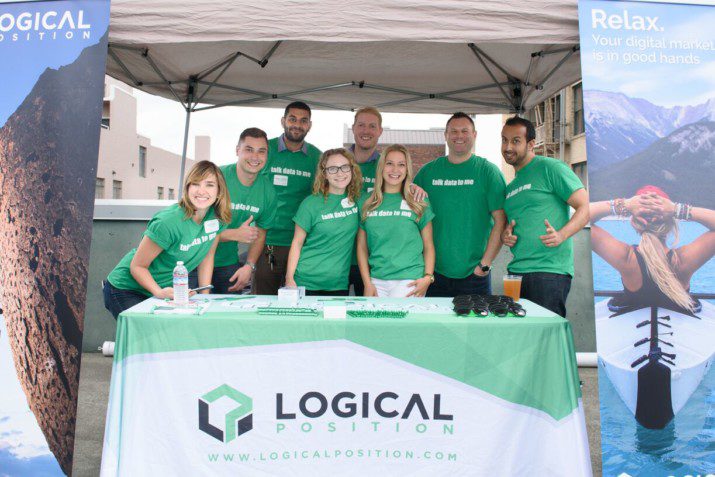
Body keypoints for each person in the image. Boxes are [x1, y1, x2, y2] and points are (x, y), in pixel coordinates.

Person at [103, 161, 231, 318]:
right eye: (195, 184)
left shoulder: (218, 218)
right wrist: (158, 292)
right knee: (144, 338)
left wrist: (205, 295)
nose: (201, 191)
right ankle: (113, 345)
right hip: (127, 288)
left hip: (166, 289)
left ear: (219, 191)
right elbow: (137, 266)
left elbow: (207, 255)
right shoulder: (168, 222)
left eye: (209, 185)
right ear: (187, 188)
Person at [500, 116, 589, 317]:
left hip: (549, 273)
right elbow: (510, 225)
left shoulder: (550, 168)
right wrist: (505, 236)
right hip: (516, 271)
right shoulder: (511, 187)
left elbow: (585, 207)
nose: (508, 146)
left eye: (515, 141)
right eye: (504, 140)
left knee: (546, 340)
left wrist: (562, 235)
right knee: (521, 340)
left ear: (531, 144)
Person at [413, 112, 507, 297]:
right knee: (435, 326)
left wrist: (485, 264)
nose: (459, 136)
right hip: (433, 273)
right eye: (453, 131)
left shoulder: (488, 172)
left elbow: (501, 221)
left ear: (475, 135)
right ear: (445, 135)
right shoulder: (428, 172)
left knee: (475, 326)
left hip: (474, 275)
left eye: (465, 131)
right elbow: (408, 215)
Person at [590, 186, 715, 313]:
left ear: (634, 222)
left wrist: (624, 205)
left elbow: (580, 219)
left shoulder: (626, 258)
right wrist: (676, 209)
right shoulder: (683, 260)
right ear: (671, 222)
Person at [346, 107, 427, 295]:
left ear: (380, 131)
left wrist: (413, 188)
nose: (366, 131)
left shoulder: (387, 165)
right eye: (361, 125)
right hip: (339, 254)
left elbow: (401, 184)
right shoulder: (340, 162)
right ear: (353, 128)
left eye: (372, 126)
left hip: (374, 263)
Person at [191, 128, 277, 294]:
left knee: (226, 317)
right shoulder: (216, 178)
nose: (255, 157)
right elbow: (191, 230)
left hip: (227, 264)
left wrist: (249, 266)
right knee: (190, 316)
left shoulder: (268, 191)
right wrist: (233, 234)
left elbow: (261, 232)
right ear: (237, 150)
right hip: (193, 261)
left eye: (261, 151)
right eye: (248, 150)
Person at [255, 101, 322, 295]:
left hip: (302, 244)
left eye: (303, 121)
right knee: (264, 301)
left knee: (299, 303)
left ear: (309, 125)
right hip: (267, 242)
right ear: (283, 121)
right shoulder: (265, 150)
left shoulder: (317, 158)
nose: (297, 125)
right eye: (292, 119)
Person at [357, 144, 435, 297]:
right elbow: (361, 247)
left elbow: (429, 245)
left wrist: (428, 277)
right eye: (389, 163)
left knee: (401, 322)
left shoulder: (418, 199)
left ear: (407, 169)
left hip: (409, 280)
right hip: (377, 280)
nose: (395, 170)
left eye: (401, 165)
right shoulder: (367, 202)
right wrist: (367, 282)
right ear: (381, 167)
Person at [285, 148, 362, 296]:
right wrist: (289, 278)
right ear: (324, 173)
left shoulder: (359, 200)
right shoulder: (310, 204)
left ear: (352, 170)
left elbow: (386, 193)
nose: (340, 173)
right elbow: (297, 243)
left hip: (338, 283)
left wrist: (411, 186)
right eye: (333, 169)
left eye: (345, 167)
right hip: (306, 281)